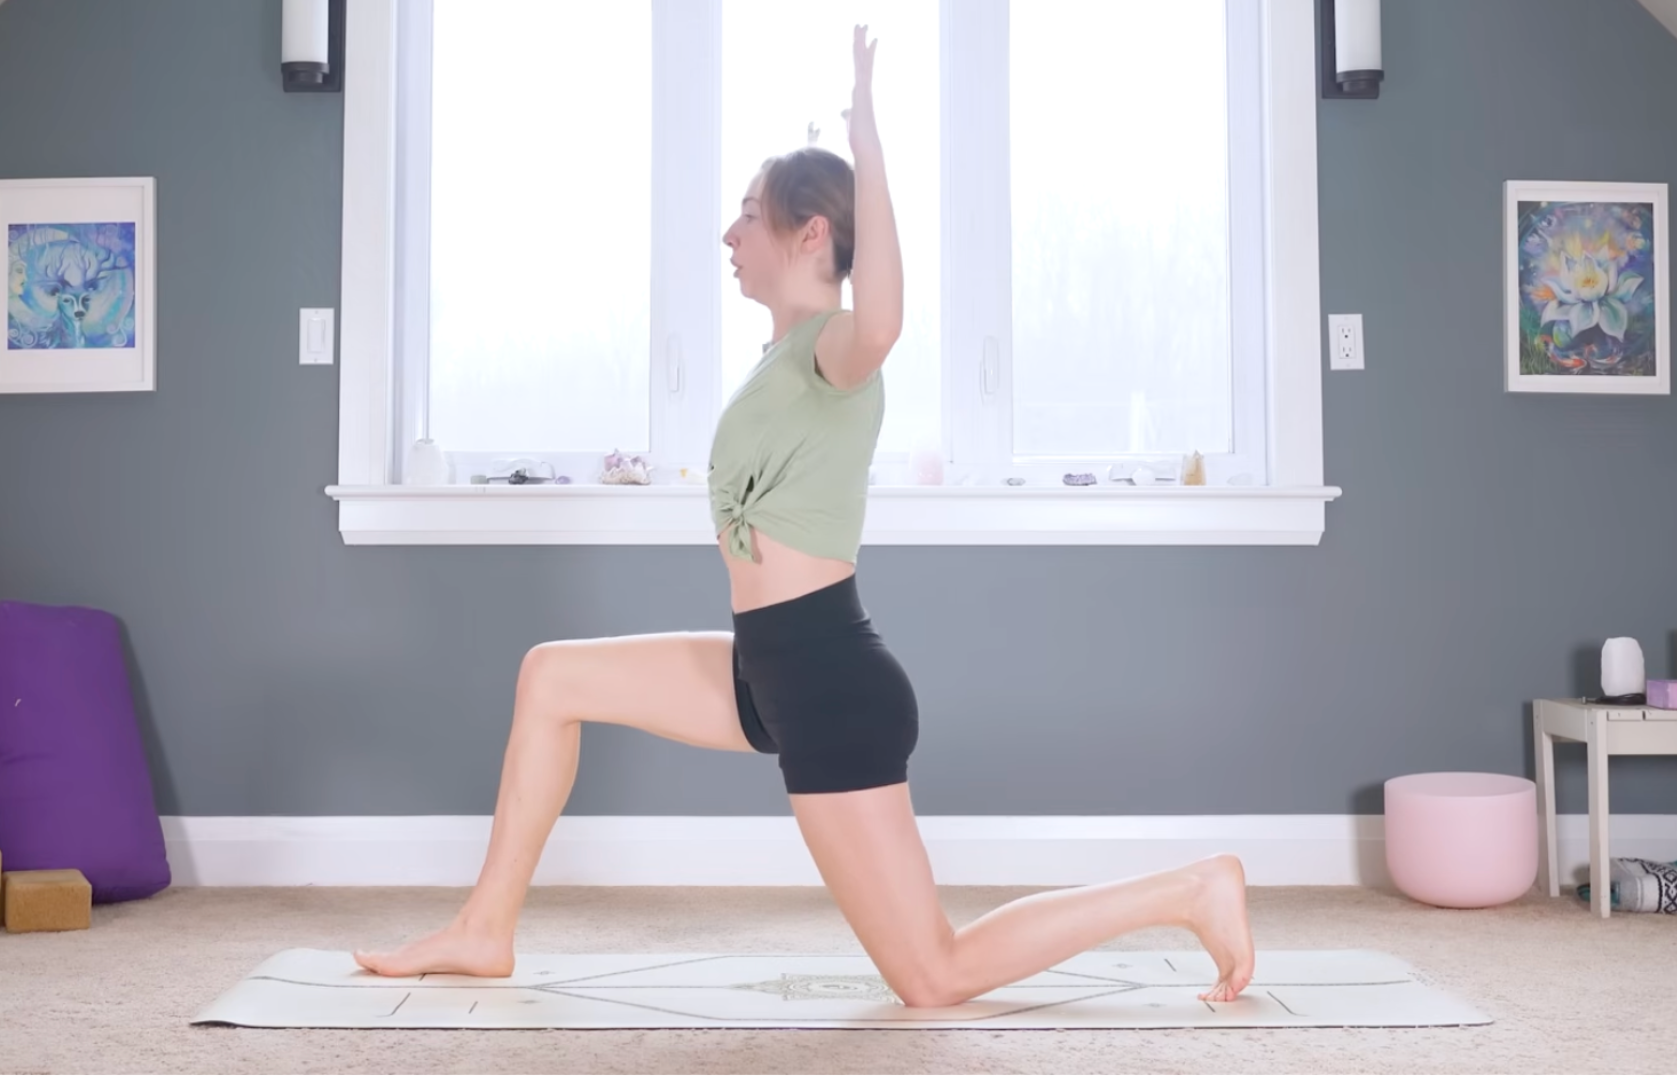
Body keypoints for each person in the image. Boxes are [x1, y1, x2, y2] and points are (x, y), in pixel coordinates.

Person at [354, 25, 1255, 1007]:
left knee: (934, 975)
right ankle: (485, 927)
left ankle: (1191, 890)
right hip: (768, 667)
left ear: (811, 235)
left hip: (827, 683)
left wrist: (867, 139)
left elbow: (886, 321)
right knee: (550, 677)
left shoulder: (835, 348)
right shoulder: (780, 362)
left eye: (750, 215)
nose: (728, 235)